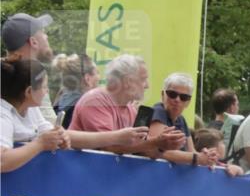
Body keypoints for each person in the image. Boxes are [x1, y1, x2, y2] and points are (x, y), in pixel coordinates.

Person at [1, 59, 147, 172]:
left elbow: (63, 135)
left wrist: (61, 137)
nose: (47, 92)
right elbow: (2, 160)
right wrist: (39, 144)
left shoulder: (32, 110)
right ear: (29, 92)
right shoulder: (3, 114)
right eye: (45, 87)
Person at [69, 54, 186, 156]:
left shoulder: (130, 109)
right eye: (143, 79)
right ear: (128, 82)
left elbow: (142, 148)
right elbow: (108, 147)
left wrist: (164, 144)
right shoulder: (95, 101)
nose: (147, 86)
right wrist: (156, 142)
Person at [147, 73, 217, 169]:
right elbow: (159, 151)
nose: (177, 100)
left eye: (184, 97)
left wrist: (207, 156)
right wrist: (197, 158)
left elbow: (191, 151)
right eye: (172, 94)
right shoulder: (158, 111)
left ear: (188, 102)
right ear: (163, 95)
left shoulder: (181, 119)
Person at [1, 12, 57, 122]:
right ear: (33, 42)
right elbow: (51, 127)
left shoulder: (6, 73)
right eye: (43, 32)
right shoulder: (32, 76)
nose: (46, 36)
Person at [52, 53, 99, 128]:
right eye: (97, 73)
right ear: (88, 79)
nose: (99, 77)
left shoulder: (59, 102)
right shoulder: (87, 108)